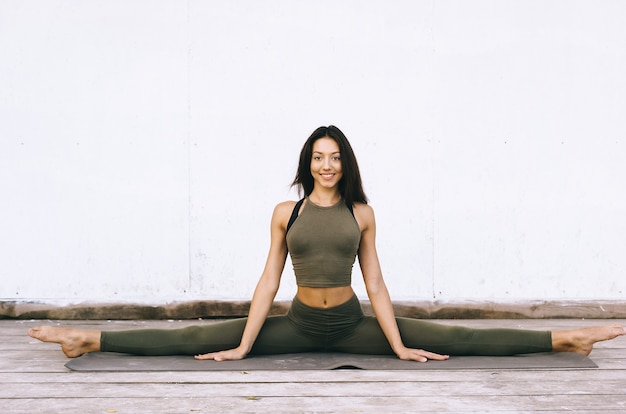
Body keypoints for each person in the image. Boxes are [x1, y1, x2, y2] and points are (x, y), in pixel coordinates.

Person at [29, 125, 624, 363]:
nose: (328, 165)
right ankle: (88, 339)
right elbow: (268, 281)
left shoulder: (363, 214)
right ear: (307, 164)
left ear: (346, 164)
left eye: (335, 157)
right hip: (295, 323)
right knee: (199, 338)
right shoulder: (284, 212)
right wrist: (243, 345)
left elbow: (376, 284)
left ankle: (566, 336)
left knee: (451, 337)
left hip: (348, 323)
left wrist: (396, 345)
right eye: (319, 157)